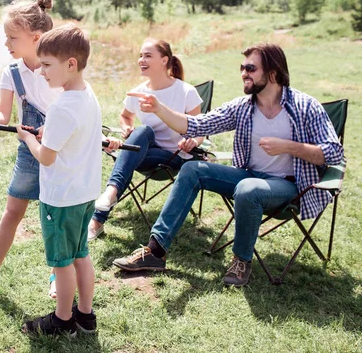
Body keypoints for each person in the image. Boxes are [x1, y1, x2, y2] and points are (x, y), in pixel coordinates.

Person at [112, 43, 344, 287]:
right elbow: (196, 125)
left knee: (248, 189)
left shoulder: (305, 106)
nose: (244, 72)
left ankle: (241, 260)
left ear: (273, 73)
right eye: (242, 67)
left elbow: (333, 152)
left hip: (287, 185)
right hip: (247, 175)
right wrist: (159, 108)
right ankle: (155, 252)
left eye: (251, 68)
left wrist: (288, 146)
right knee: (192, 170)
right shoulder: (243, 107)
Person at [0, 0, 61, 305]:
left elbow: (71, 110)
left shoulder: (58, 67)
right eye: (6, 37)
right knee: (11, 213)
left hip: (59, 153)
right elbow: (2, 115)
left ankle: (58, 274)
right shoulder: (12, 72)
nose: (7, 44)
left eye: (12, 37)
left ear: (36, 37)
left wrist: (53, 131)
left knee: (55, 216)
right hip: (28, 153)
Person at [17, 24, 100, 336]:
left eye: (47, 65)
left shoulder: (62, 107)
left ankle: (63, 320)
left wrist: (27, 138)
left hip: (61, 198)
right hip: (85, 193)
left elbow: (47, 157)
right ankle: (86, 316)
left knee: (62, 262)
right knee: (80, 254)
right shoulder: (86, 95)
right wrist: (46, 135)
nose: (41, 72)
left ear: (71, 64)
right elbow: (71, 139)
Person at [88, 38, 204, 241]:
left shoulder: (186, 91)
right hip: (141, 153)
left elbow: (199, 129)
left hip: (173, 155)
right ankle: (112, 192)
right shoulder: (139, 91)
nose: (141, 60)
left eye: (148, 55)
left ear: (164, 60)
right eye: (140, 55)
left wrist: (193, 141)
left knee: (133, 146)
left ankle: (98, 217)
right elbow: (125, 116)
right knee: (142, 131)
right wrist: (127, 128)